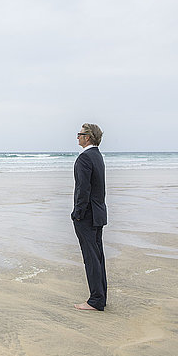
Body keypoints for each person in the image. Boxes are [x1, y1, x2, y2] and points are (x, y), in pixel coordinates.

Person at [71, 123, 108, 311]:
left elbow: (83, 190)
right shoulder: (97, 156)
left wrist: (77, 214)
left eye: (80, 134)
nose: (77, 136)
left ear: (88, 137)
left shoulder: (85, 159)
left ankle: (95, 300)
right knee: (97, 257)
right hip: (98, 213)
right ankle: (100, 298)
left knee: (91, 258)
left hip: (87, 216)